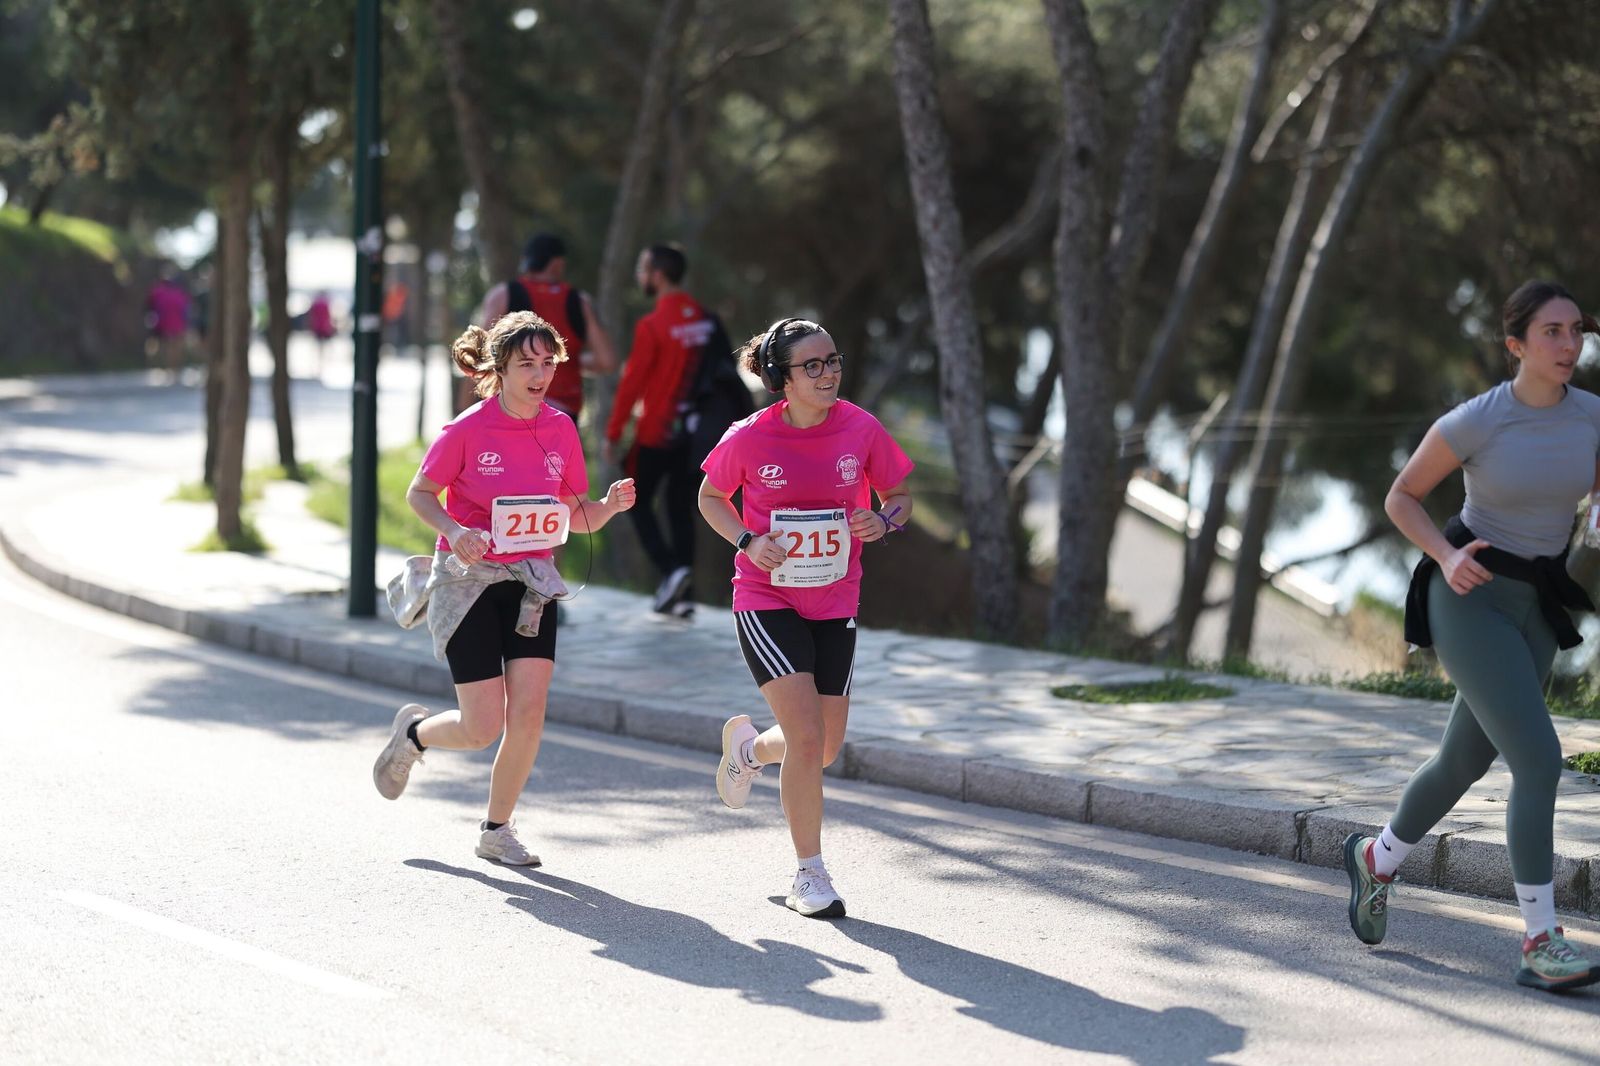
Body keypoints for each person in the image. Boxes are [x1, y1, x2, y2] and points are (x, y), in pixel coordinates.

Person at [1344, 280, 1600, 991]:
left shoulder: (1592, 416)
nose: (1569, 345)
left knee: (1462, 762)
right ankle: (1541, 942)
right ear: (1516, 344)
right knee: (1540, 760)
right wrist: (1446, 556)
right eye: (1552, 332)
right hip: (1470, 595)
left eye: (1576, 330)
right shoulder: (1480, 419)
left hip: (1537, 605)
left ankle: (1376, 860)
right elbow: (1402, 496)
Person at [373, 310, 636, 865]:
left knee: (530, 712)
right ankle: (415, 736)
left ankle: (497, 830)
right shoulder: (468, 429)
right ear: (501, 368)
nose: (540, 375)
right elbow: (420, 493)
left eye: (548, 362)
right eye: (526, 364)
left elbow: (573, 515)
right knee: (481, 727)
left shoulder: (561, 428)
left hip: (532, 584)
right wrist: (455, 531)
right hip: (468, 583)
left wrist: (609, 506)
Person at [698, 317, 914, 918]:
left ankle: (748, 751)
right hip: (767, 599)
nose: (828, 373)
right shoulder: (750, 436)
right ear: (781, 379)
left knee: (822, 747)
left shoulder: (861, 428)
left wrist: (883, 521)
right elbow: (710, 498)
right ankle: (810, 875)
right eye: (812, 366)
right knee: (808, 735)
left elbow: (900, 497)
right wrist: (747, 541)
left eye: (833, 361)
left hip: (836, 599)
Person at [604, 244, 714, 615]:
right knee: (681, 508)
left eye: (642, 268)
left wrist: (613, 433)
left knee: (633, 499)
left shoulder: (652, 325)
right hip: (696, 435)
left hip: (656, 433)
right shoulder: (706, 320)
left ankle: (671, 572)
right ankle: (683, 596)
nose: (639, 276)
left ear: (658, 275)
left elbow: (632, 384)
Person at [468, 233, 617, 418]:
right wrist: (562, 361)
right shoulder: (579, 301)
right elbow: (606, 361)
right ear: (558, 264)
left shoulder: (503, 295)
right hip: (563, 411)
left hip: (512, 410)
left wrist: (463, 408)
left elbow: (479, 356)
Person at [145, 270, 191, 378]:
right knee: (177, 346)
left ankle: (170, 368)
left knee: (168, 346)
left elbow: (152, 308)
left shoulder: (158, 293)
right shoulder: (180, 294)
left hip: (165, 324)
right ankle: (176, 368)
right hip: (179, 324)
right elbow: (185, 310)